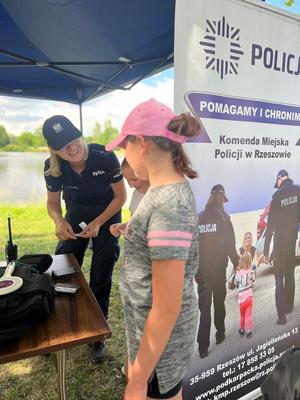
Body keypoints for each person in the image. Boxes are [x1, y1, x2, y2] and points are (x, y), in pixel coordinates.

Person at [106, 98, 201, 400]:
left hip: (162, 350)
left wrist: (137, 380)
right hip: (152, 340)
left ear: (141, 144)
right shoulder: (161, 191)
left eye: (125, 147)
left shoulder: (168, 204)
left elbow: (166, 305)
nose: (125, 157)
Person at [42, 115, 126, 363]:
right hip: (75, 214)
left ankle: (96, 336)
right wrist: (59, 221)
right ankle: (61, 325)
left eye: (73, 139)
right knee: (61, 269)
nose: (71, 148)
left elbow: (120, 197)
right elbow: (52, 204)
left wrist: (99, 222)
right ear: (54, 149)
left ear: (80, 135)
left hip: (108, 215)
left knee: (102, 271)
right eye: (62, 146)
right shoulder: (51, 166)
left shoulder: (105, 156)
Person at [196, 184, 239, 359]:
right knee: (219, 303)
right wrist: (238, 264)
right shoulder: (225, 219)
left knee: (204, 310)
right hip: (219, 271)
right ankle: (220, 333)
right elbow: (231, 247)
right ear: (222, 200)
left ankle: (203, 347)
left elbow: (192, 247)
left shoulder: (199, 218)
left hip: (202, 274)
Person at [263, 169, 300, 325]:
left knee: (279, 278)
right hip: (292, 240)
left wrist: (266, 251)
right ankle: (289, 306)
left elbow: (270, 227)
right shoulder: (298, 191)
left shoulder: (276, 197)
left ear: (279, 180)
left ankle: (281, 316)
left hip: (279, 244)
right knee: (290, 273)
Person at [234, 251, 255, 338]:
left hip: (241, 298)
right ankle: (249, 331)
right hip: (249, 297)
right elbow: (254, 282)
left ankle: (242, 329)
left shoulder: (239, 272)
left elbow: (236, 282)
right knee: (249, 315)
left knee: (242, 315)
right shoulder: (251, 272)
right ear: (250, 261)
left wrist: (237, 273)